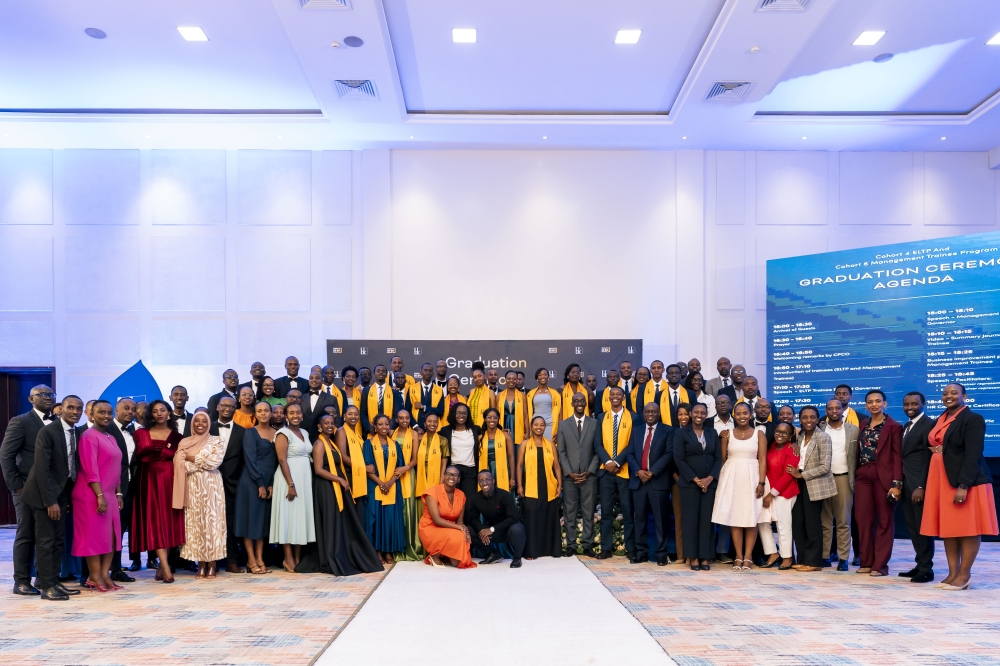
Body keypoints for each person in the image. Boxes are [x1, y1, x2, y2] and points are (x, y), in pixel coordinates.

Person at [921, 383, 998, 591]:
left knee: (968, 528)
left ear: (965, 396)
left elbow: (973, 454)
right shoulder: (940, 418)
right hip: (941, 479)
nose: (948, 396)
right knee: (949, 528)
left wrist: (963, 485)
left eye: (954, 393)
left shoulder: (972, 419)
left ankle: (964, 575)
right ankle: (952, 573)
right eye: (945, 393)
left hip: (965, 481)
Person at [296, 415, 383, 576]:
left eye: (331, 423)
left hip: (333, 485)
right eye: (325, 423)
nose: (330, 425)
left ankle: (342, 553)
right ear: (319, 426)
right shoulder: (319, 444)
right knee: (331, 520)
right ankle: (331, 555)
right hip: (325, 486)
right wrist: (339, 479)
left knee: (337, 520)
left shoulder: (332, 443)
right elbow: (318, 469)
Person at [19, 395, 85, 600]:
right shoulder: (47, 432)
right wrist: (51, 502)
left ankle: (55, 582)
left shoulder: (77, 433)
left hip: (62, 491)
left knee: (58, 541)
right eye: (71, 408)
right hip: (42, 494)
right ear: (62, 409)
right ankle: (47, 587)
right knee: (46, 541)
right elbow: (41, 469)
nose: (75, 412)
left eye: (79, 408)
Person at [1, 384, 56, 596]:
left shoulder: (56, 423)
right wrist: (18, 486)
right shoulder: (21, 422)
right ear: (31, 399)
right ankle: (21, 581)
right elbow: (6, 456)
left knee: (46, 535)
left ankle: (43, 579)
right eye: (42, 395)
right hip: (25, 487)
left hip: (49, 488)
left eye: (51, 394)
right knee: (26, 534)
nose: (48, 397)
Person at [72, 400, 124, 593]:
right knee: (93, 536)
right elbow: (90, 468)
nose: (106, 416)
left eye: (109, 413)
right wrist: (100, 495)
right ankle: (94, 576)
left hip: (109, 493)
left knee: (111, 536)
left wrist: (118, 492)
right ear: (91, 415)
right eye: (101, 412)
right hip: (91, 494)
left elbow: (116, 468)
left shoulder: (110, 436)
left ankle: (104, 575)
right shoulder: (88, 436)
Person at [132, 399, 186, 583]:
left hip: (169, 480)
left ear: (169, 412)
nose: (159, 414)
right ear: (150, 414)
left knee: (168, 521)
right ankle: (166, 568)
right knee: (154, 521)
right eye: (155, 411)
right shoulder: (140, 433)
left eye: (162, 410)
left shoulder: (177, 437)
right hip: (146, 480)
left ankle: (162, 567)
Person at [711, 402, 768, 571]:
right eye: (739, 413)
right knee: (734, 518)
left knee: (751, 518)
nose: (742, 416)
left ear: (751, 415)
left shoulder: (760, 433)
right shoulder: (727, 434)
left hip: (752, 477)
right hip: (732, 478)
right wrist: (721, 483)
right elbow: (722, 459)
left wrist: (761, 482)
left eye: (745, 413)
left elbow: (763, 459)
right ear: (734, 415)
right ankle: (738, 556)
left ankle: (748, 556)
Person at [854, 390, 903, 576]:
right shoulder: (863, 424)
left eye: (878, 401)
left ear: (885, 404)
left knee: (884, 521)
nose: (874, 404)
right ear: (866, 405)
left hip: (885, 477)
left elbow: (898, 457)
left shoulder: (894, 427)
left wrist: (897, 484)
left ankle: (880, 565)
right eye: (870, 402)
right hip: (863, 476)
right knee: (863, 520)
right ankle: (866, 562)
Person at [173, 411, 227, 578]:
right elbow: (180, 465)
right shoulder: (184, 442)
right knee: (195, 524)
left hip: (212, 488)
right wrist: (199, 462)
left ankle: (212, 563)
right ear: (192, 423)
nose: (201, 423)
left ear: (209, 423)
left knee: (212, 524)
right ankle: (200, 564)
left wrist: (191, 459)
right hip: (192, 488)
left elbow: (215, 462)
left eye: (204, 421)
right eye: (197, 421)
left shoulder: (217, 440)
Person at [786, 406, 835, 572]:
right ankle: (802, 559)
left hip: (814, 484)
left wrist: (802, 475)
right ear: (800, 419)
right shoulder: (799, 436)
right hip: (798, 484)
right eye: (805, 417)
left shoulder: (823, 437)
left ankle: (814, 562)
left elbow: (825, 467)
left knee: (812, 524)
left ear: (817, 419)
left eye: (812, 417)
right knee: (798, 521)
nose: (808, 420)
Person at [674, 403, 721, 571]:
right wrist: (695, 479)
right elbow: (679, 459)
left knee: (706, 521)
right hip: (689, 485)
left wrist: (709, 479)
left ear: (706, 415)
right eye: (696, 412)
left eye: (703, 412)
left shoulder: (712, 432)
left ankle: (705, 557)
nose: (699, 415)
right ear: (691, 414)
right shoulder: (681, 433)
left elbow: (718, 458)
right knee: (690, 521)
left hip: (709, 484)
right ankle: (693, 557)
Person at [627, 402, 675, 566]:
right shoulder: (637, 430)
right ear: (643, 413)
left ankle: (661, 554)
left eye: (654, 411)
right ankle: (641, 553)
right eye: (647, 411)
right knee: (639, 519)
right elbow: (630, 453)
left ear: (659, 413)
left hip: (657, 481)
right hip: (639, 481)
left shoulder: (668, 430)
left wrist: (652, 471)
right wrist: (638, 471)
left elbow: (669, 454)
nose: (650, 414)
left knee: (661, 520)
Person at [270, 403, 315, 573]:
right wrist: (291, 484)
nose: (295, 415)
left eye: (298, 412)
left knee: (299, 518)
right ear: (286, 416)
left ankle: (297, 557)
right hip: (288, 479)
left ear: (302, 416)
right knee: (288, 518)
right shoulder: (283, 433)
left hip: (304, 479)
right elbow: (282, 460)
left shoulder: (304, 433)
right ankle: (287, 558)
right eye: (291, 413)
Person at [235, 401, 278, 575]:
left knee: (262, 521)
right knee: (249, 520)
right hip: (251, 481)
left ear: (271, 413)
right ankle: (251, 560)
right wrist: (260, 483)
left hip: (269, 482)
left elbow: (278, 461)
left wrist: (272, 484)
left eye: (266, 410)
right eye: (259, 411)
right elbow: (250, 459)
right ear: (255, 414)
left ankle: (260, 558)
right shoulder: (250, 433)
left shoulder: (277, 433)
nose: (263, 413)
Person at [898, 391, 936, 583]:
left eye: (914, 404)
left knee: (922, 528)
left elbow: (929, 459)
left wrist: (921, 485)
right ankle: (920, 563)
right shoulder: (907, 426)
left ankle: (926, 569)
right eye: (907, 405)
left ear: (924, 404)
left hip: (919, 485)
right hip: (906, 484)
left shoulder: (929, 425)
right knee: (913, 527)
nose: (910, 408)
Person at [594, 387, 635, 560]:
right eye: (613, 395)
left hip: (624, 471)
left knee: (627, 511)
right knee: (606, 512)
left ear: (623, 397)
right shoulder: (602, 417)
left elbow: (632, 443)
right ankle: (606, 548)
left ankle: (631, 548)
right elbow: (597, 443)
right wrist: (608, 462)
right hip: (606, 472)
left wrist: (617, 462)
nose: (615, 397)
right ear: (609, 398)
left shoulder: (633, 417)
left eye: (619, 394)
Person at [556, 393, 599, 557]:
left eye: (582, 401)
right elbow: (561, 451)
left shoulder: (594, 423)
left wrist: (590, 470)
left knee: (588, 512)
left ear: (586, 403)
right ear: (572, 403)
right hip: (570, 477)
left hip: (589, 476)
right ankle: (571, 545)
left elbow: (598, 449)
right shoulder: (563, 425)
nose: (580, 403)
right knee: (570, 512)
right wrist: (570, 472)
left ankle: (588, 545)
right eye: (577, 401)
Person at [818, 398, 858, 571]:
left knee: (843, 521)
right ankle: (825, 556)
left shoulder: (853, 430)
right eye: (830, 408)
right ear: (826, 411)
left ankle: (843, 558)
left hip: (843, 478)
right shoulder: (819, 429)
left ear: (843, 409)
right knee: (825, 520)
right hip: (823, 478)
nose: (834, 411)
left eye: (837, 408)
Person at [516, 416, 562, 559]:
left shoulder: (550, 444)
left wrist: (560, 484)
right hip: (530, 486)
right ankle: (531, 551)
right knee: (532, 518)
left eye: (542, 425)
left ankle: (550, 550)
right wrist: (519, 485)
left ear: (545, 427)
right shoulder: (525, 444)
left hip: (548, 485)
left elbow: (557, 466)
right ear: (531, 426)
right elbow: (519, 465)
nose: (539, 427)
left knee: (548, 518)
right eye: (536, 424)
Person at [363, 415, 407, 564]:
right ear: (374, 426)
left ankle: (388, 551)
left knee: (389, 519)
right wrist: (381, 483)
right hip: (375, 486)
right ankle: (377, 551)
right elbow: (368, 467)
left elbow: (400, 468)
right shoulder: (368, 444)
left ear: (390, 426)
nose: (383, 427)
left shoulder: (395, 445)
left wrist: (390, 482)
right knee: (377, 518)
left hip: (392, 486)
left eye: (386, 424)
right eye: (380, 424)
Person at [211, 396, 246, 574]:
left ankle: (232, 561)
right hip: (208, 483)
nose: (227, 409)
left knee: (230, 523)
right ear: (217, 407)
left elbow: (244, 460)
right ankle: (212, 561)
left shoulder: (242, 431)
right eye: (224, 406)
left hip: (233, 484)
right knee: (211, 522)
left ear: (235, 409)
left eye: (231, 406)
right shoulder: (206, 428)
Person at [419, 466, 475, 568]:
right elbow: (436, 520)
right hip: (431, 527)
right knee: (458, 535)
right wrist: (459, 528)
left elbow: (460, 521)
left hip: (451, 528)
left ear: (459, 479)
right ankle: (435, 555)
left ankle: (446, 553)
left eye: (455, 475)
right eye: (448, 474)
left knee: (459, 561)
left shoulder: (461, 495)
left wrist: (464, 531)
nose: (451, 477)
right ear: (444, 476)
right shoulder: (432, 492)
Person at [466, 469, 525, 567]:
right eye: (481, 480)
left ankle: (517, 558)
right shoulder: (475, 498)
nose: (485, 482)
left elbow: (514, 517)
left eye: (487, 479)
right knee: (468, 530)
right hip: (493, 531)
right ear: (478, 483)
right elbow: (473, 519)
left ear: (493, 480)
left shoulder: (504, 495)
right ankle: (493, 554)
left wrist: (492, 529)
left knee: (517, 529)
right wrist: (482, 530)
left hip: (508, 530)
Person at [761, 422, 799, 569]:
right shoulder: (772, 446)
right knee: (762, 522)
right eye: (778, 431)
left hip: (785, 492)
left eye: (784, 433)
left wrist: (772, 494)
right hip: (768, 491)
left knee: (783, 525)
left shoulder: (792, 449)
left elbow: (788, 476)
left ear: (790, 436)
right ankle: (772, 553)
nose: (780, 435)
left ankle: (787, 557)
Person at [108, 398, 136, 581]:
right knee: (108, 531)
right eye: (126, 408)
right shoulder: (106, 429)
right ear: (116, 409)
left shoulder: (134, 431)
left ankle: (116, 568)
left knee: (121, 529)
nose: (130, 412)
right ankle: (98, 571)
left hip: (129, 488)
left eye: (133, 409)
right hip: (110, 489)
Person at [392, 410, 424, 562]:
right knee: (396, 509)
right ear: (396, 419)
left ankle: (411, 546)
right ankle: (396, 546)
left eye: (407, 418)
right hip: (392, 475)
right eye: (401, 418)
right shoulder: (391, 433)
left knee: (409, 508)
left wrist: (405, 468)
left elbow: (415, 458)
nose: (404, 420)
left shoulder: (414, 434)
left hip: (408, 473)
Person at [439, 403, 481, 500]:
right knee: (452, 500)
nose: (461, 416)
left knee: (468, 501)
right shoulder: (445, 430)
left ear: (468, 415)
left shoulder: (475, 429)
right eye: (458, 413)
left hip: (470, 471)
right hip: (453, 471)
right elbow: (433, 436)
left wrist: (502, 431)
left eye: (464, 413)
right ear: (453, 414)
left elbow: (490, 432)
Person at [336, 406, 369, 523]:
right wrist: (364, 468)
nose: (353, 417)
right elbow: (343, 457)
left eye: (356, 414)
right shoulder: (341, 431)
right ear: (344, 416)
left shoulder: (357, 433)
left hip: (358, 472)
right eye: (350, 414)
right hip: (349, 473)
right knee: (352, 508)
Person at [478, 408, 514, 493]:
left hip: (502, 470)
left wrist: (512, 477)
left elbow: (511, 457)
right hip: (486, 469)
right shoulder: (480, 437)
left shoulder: (505, 436)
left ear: (498, 419)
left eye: (495, 418)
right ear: (485, 419)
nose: (492, 420)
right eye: (489, 417)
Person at [301, 370, 337, 441]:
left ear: (322, 381)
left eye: (317, 378)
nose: (314, 380)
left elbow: (336, 420)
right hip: (304, 437)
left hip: (323, 438)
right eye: (311, 378)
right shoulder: (302, 397)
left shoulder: (331, 399)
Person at [526, 368, 561, 440]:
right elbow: (527, 412)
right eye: (540, 375)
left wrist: (558, 430)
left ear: (548, 377)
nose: (543, 377)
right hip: (535, 426)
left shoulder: (555, 393)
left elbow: (560, 413)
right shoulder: (530, 393)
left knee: (550, 448)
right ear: (537, 378)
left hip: (550, 425)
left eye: (545, 374)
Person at [360, 365, 395, 436]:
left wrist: (390, 428)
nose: (381, 373)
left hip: (389, 431)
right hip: (371, 431)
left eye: (383, 371)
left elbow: (396, 413)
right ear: (374, 374)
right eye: (378, 371)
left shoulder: (393, 391)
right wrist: (369, 428)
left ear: (386, 375)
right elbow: (363, 412)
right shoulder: (367, 390)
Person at [408, 363, 444, 430]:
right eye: (425, 370)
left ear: (432, 373)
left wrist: (423, 407)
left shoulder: (439, 390)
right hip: (415, 429)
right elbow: (408, 410)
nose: (427, 372)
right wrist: (416, 427)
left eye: (430, 371)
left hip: (433, 429)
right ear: (421, 373)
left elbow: (440, 411)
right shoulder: (412, 388)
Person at [497, 370, 527, 445]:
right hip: (504, 427)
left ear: (517, 380)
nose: (511, 381)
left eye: (514, 379)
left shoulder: (522, 395)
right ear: (505, 380)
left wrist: (527, 432)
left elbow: (525, 416)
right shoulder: (499, 395)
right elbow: (496, 416)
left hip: (518, 428)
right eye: (509, 378)